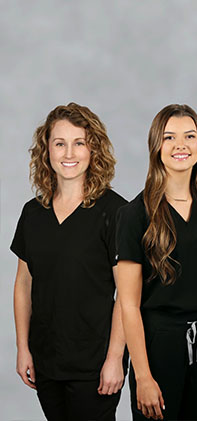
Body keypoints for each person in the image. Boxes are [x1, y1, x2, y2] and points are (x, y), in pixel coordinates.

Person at [11, 103, 127, 421]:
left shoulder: (115, 212)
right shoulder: (33, 213)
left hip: (95, 364)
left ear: (94, 150)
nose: (69, 153)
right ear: (46, 150)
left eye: (79, 143)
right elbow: (23, 284)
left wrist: (115, 357)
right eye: (60, 143)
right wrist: (23, 348)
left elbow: (127, 295)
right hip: (47, 359)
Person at [115, 104, 197, 421]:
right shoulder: (135, 214)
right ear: (156, 147)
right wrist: (143, 376)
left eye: (190, 136)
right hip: (158, 348)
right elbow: (128, 305)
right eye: (169, 137)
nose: (181, 145)